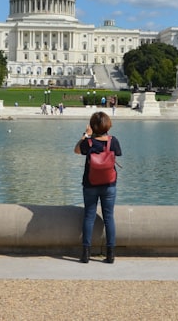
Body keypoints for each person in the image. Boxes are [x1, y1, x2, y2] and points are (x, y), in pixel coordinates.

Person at [74, 111, 122, 264]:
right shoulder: (113, 141)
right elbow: (118, 154)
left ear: (92, 126)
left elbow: (76, 150)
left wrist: (86, 135)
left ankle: (86, 254)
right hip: (109, 184)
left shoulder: (88, 142)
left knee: (89, 216)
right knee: (109, 218)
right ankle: (110, 254)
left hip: (90, 184)